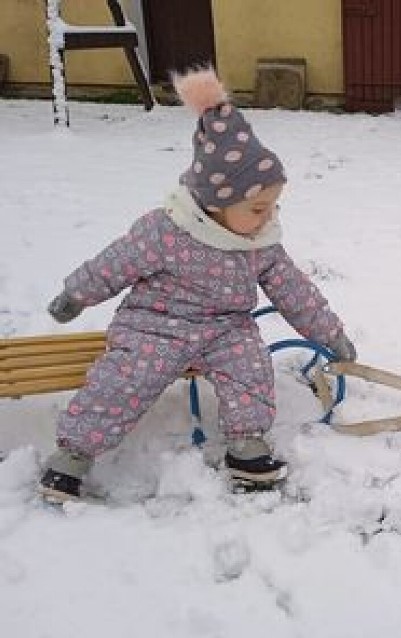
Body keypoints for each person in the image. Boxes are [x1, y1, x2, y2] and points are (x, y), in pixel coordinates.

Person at [39, 68, 356, 502]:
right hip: (156, 325)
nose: (269, 217)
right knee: (125, 378)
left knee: (251, 369)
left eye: (273, 205)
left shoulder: (258, 242)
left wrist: (330, 334)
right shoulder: (166, 230)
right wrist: (75, 294)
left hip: (227, 328)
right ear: (217, 202)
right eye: (259, 207)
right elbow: (113, 263)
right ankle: (72, 456)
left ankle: (247, 447)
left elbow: (295, 292)